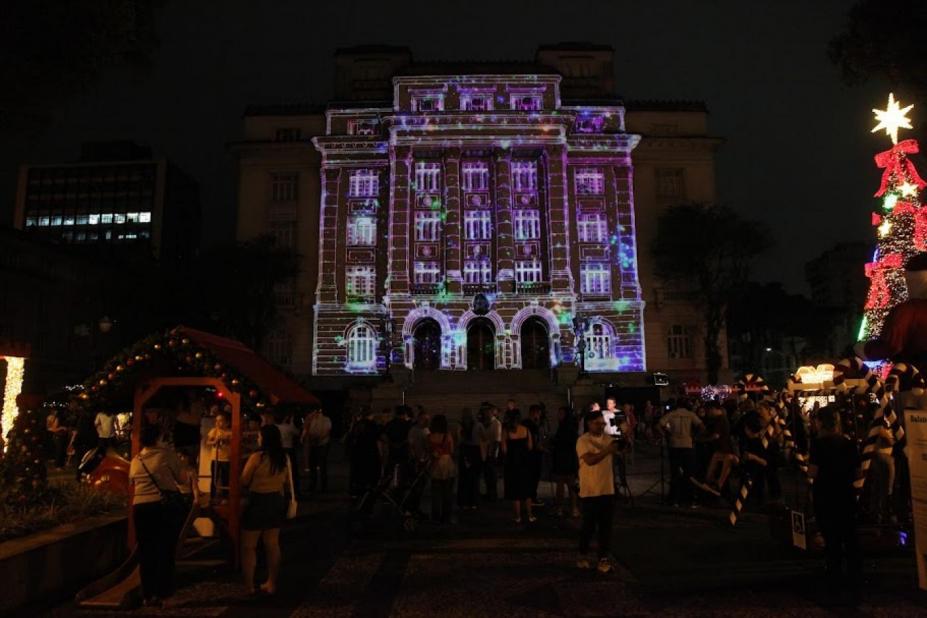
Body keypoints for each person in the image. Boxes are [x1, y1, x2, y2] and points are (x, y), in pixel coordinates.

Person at [129, 423, 190, 607]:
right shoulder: (166, 455)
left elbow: (132, 482)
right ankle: (165, 595)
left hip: (140, 507)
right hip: (161, 506)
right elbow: (183, 479)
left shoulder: (136, 459)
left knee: (146, 551)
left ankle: (148, 594)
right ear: (157, 438)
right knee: (165, 549)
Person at [809, 406, 861, 605]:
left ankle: (834, 585)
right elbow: (858, 474)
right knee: (850, 540)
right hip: (846, 495)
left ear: (821, 422)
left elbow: (812, 473)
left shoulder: (818, 445)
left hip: (825, 496)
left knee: (832, 542)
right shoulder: (849, 444)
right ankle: (855, 583)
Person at [241, 424, 293, 596]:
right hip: (276, 501)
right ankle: (272, 582)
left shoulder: (258, 457)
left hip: (258, 501)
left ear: (265, 438)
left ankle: (249, 586)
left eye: (259, 436)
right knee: (272, 544)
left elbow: (244, 480)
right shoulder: (283, 457)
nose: (258, 438)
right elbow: (286, 482)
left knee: (249, 546)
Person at [576, 410, 619, 573]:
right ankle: (582, 555)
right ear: (589, 424)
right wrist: (608, 450)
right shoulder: (582, 441)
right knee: (588, 527)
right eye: (598, 423)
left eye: (603, 423)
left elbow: (621, 451)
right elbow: (590, 460)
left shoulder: (608, 439)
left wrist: (625, 438)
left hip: (607, 489)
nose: (601, 426)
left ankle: (603, 559)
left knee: (605, 528)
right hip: (590, 490)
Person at [660, 399, 704, 508]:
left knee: (675, 473)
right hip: (687, 445)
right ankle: (692, 500)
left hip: (674, 445)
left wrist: (667, 435)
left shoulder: (671, 414)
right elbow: (702, 427)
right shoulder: (690, 414)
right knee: (689, 473)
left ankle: (675, 500)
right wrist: (694, 437)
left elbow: (659, 425)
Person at [502, 409, 535, 524]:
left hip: (512, 464)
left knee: (514, 491)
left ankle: (517, 516)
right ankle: (530, 515)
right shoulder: (526, 430)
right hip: (525, 464)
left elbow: (504, 450)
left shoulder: (506, 431)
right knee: (526, 490)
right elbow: (530, 446)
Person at [551, 406, 580, 517]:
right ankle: (573, 508)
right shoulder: (570, 427)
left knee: (563, 485)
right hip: (569, 459)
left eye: (561, 413)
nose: (558, 415)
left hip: (564, 459)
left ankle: (562, 508)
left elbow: (561, 443)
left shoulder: (565, 428)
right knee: (569, 485)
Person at [427, 414, 456, 524]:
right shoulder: (448, 436)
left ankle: (435, 516)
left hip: (436, 465)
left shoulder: (430, 436)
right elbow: (452, 450)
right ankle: (446, 517)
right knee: (447, 494)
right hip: (447, 464)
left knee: (435, 494)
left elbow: (428, 450)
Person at [457, 408, 483, 510]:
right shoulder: (478, 425)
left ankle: (464, 502)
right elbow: (485, 437)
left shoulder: (460, 425)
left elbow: (459, 440)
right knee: (474, 479)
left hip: (464, 452)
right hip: (475, 452)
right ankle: (474, 502)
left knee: (464, 479)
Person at [302, 407, 332, 493]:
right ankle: (314, 485)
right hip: (315, 444)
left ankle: (322, 486)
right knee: (314, 465)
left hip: (321, 444)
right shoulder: (311, 419)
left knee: (321, 466)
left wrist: (319, 438)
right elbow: (306, 429)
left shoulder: (326, 420)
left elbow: (327, 431)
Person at [206, 411, 231, 500]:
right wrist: (214, 441)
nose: (217, 423)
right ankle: (212, 496)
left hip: (226, 459)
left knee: (225, 478)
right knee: (214, 478)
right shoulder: (214, 431)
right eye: (216, 421)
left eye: (220, 421)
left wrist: (227, 440)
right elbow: (208, 442)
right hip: (215, 458)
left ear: (227, 422)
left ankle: (225, 497)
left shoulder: (230, 432)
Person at [276, 412, 301, 497]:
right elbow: (297, 433)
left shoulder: (276, 427)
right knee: (292, 471)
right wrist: (292, 423)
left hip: (280, 449)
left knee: (280, 469)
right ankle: (294, 490)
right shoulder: (289, 427)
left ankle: (281, 489)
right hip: (289, 449)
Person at [479, 405, 500, 502]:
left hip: (491, 453)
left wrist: (492, 453)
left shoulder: (496, 423)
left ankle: (493, 494)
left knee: (492, 474)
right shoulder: (486, 423)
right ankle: (489, 493)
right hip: (485, 452)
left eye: (487, 412)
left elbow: (496, 440)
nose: (485, 414)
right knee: (487, 474)